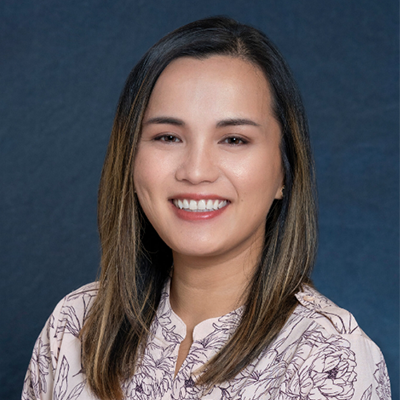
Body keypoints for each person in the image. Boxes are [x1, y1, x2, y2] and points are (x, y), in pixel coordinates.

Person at [22, 16, 391, 400]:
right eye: (168, 137)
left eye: (233, 139)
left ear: (284, 171)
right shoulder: (74, 326)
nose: (196, 172)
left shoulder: (331, 355)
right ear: (129, 158)